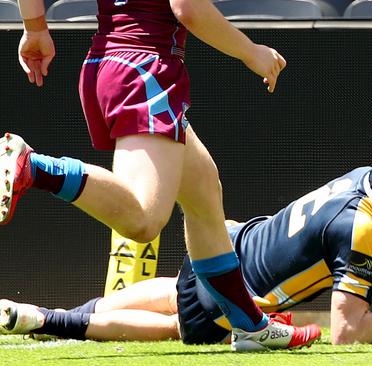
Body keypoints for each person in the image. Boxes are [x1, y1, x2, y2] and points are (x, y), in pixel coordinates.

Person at [0, 109, 372, 344]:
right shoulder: (362, 224)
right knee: (176, 328)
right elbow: (345, 333)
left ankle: (43, 321)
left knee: (145, 303)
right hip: (239, 290)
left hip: (231, 245)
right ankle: (41, 319)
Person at [1, 0, 321, 352]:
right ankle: (34, 167)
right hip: (145, 70)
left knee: (203, 191)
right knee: (143, 219)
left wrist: (35, 28)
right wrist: (251, 51)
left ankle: (249, 325)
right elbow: (189, 9)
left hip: (108, 63)